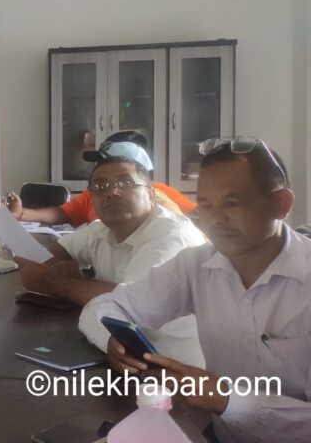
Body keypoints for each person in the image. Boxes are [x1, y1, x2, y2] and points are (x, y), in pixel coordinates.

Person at [88, 137, 311, 443]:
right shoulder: (198, 264)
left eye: (232, 203)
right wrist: (116, 342)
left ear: (280, 204)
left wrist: (227, 399)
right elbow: (106, 305)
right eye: (205, 205)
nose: (215, 219)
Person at [13, 141, 206, 366]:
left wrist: (53, 281)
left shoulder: (169, 235)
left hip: (180, 370)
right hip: (128, 357)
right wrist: (62, 273)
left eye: (125, 183)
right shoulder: (101, 229)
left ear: (151, 195)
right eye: (100, 186)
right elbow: (51, 255)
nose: (112, 192)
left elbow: (129, 304)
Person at [5, 131, 196, 227]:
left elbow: (198, 218)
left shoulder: (162, 196)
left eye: (123, 180)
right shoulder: (95, 197)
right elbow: (63, 214)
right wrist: (21, 213)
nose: (112, 192)